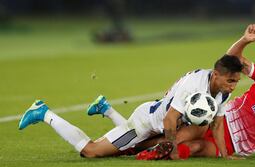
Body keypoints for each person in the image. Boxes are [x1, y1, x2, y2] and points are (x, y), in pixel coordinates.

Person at [138, 24, 255, 160]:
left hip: (234, 144)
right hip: (218, 119)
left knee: (194, 147)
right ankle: (132, 148)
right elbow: (231, 61)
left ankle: (152, 155)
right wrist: (245, 41)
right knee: (177, 137)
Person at [18, 53, 243, 158]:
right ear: (215, 75)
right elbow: (169, 120)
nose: (233, 86)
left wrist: (225, 155)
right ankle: (44, 113)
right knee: (91, 151)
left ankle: (105, 108)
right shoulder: (195, 85)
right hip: (145, 121)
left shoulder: (220, 92)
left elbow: (218, 124)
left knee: (138, 147)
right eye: (230, 80)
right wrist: (172, 150)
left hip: (154, 118)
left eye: (236, 82)